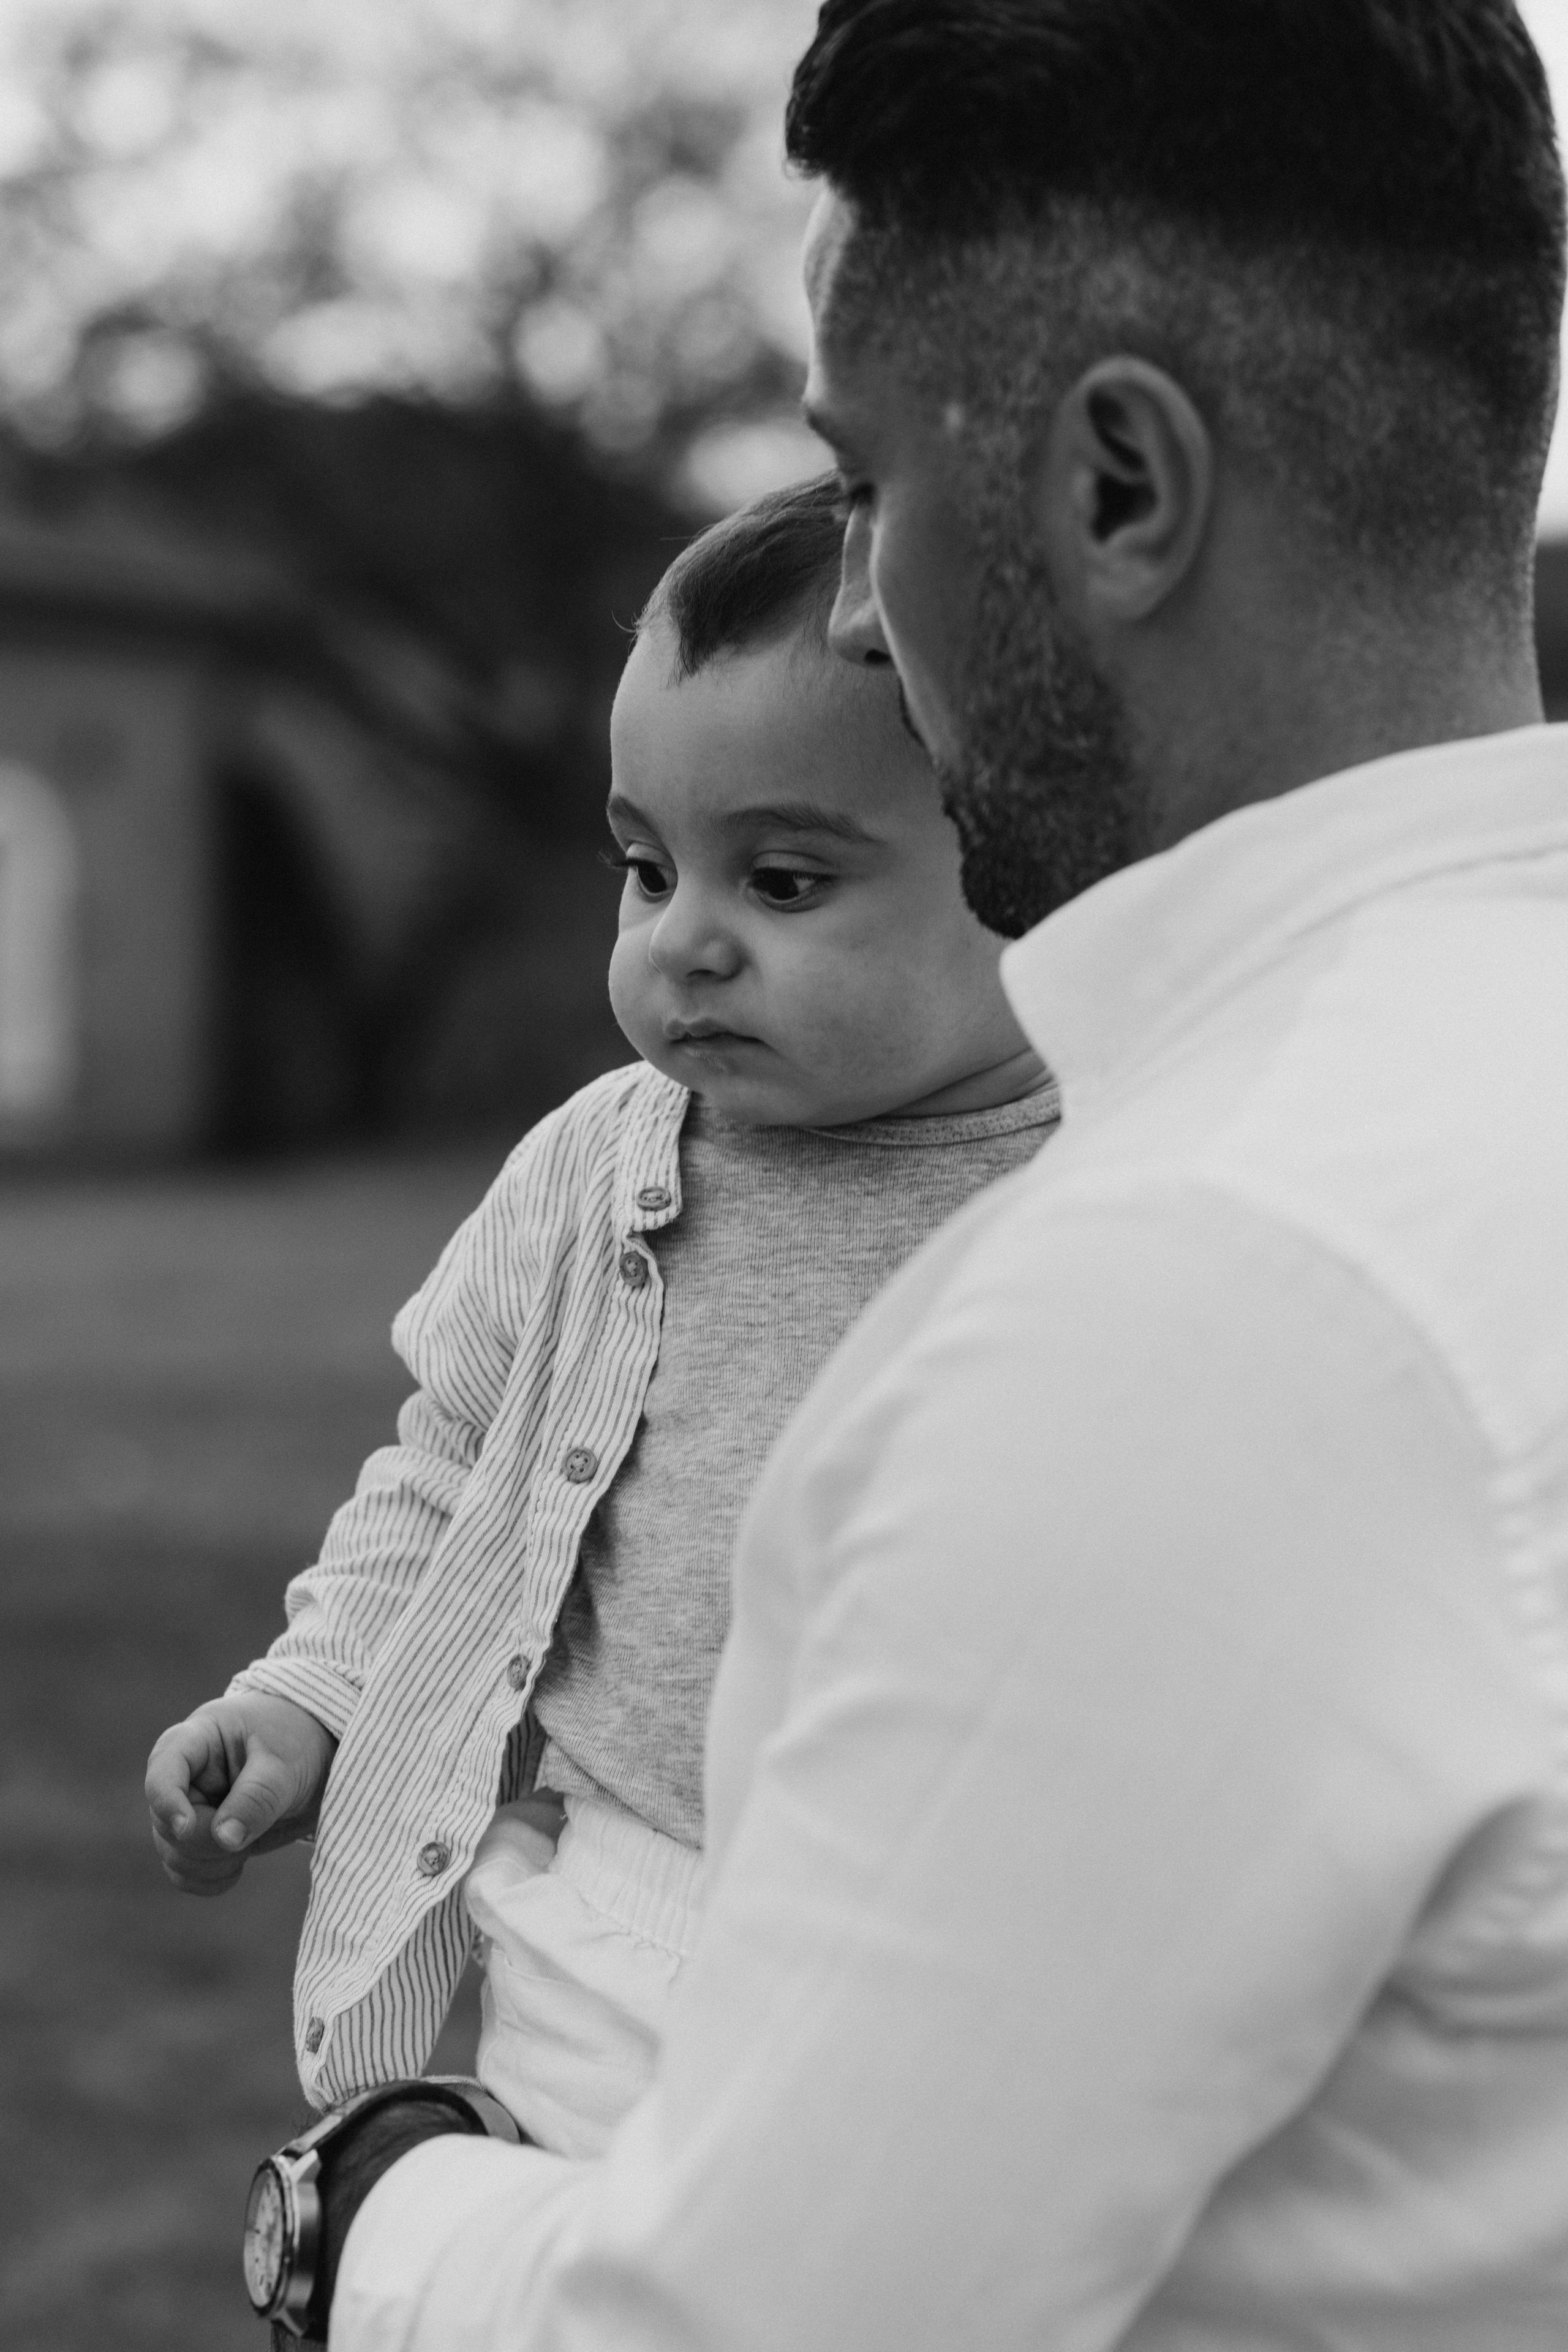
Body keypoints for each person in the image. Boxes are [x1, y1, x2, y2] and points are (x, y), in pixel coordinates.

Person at [258, 3, 1568, 2348]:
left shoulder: (1189, 1296)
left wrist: (369, 2213)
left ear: (1119, 492)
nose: (857, 606)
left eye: (867, 490)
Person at [144, 475, 1058, 2162]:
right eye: (648, 869)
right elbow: (447, 1472)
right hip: (611, 1913)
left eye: (783, 882)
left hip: (959, 1952)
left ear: (1033, 864)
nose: (685, 944)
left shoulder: (1113, 1180)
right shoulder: (603, 1166)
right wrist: (313, 1696)